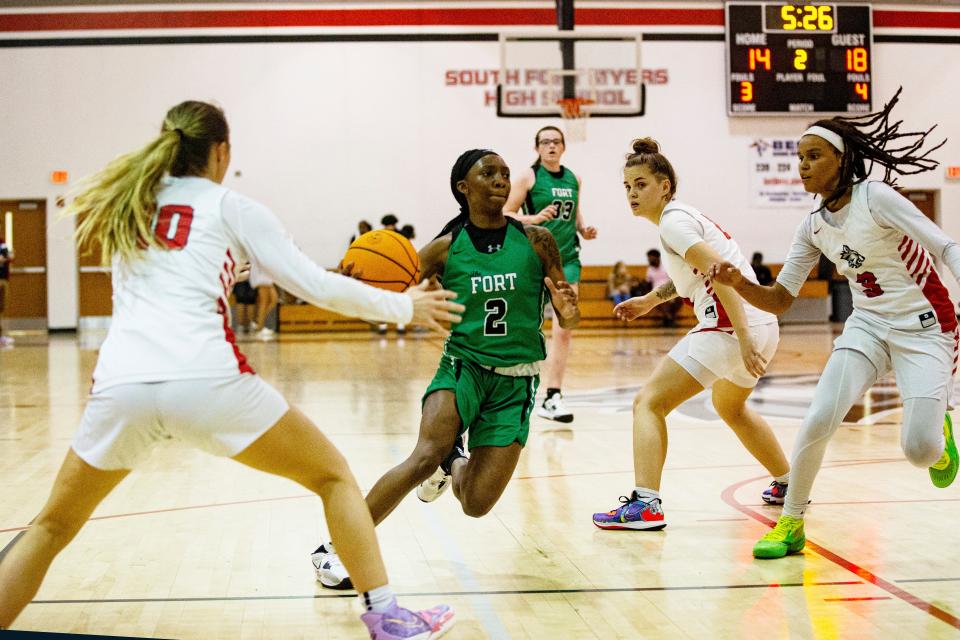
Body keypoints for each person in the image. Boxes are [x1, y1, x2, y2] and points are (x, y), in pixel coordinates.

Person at [0, 100, 464, 639]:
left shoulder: (131, 206)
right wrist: (404, 307)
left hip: (120, 386)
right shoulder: (231, 206)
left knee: (51, 526)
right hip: (206, 380)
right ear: (221, 151)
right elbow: (314, 284)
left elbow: (163, 281)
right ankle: (387, 618)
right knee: (334, 477)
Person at [311, 148, 579, 590]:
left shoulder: (537, 241)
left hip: (517, 380)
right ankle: (335, 549)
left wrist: (569, 311)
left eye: (505, 174)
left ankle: (453, 463)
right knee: (422, 455)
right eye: (488, 172)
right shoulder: (445, 247)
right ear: (463, 187)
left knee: (475, 503)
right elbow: (393, 292)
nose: (500, 179)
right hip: (463, 367)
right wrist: (352, 282)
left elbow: (570, 318)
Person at [710, 89, 959, 559]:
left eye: (814, 155)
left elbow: (945, 247)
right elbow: (780, 299)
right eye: (799, 157)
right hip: (867, 325)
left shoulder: (877, 198)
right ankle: (791, 522)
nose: (802, 165)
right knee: (820, 415)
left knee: (920, 452)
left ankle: (940, 432)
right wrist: (738, 282)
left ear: (842, 161)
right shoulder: (812, 226)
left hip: (926, 326)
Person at [592, 137, 790, 531]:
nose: (632, 193)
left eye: (641, 184)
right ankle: (789, 483)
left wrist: (743, 336)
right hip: (762, 325)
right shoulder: (682, 218)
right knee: (731, 407)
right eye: (628, 186)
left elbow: (720, 276)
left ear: (664, 186)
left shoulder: (674, 222)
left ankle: (646, 506)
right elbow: (694, 277)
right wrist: (650, 299)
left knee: (648, 402)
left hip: (734, 326)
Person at [503, 125, 597, 423]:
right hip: (532, 258)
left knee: (564, 328)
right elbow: (505, 213)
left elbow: (574, 213)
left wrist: (584, 228)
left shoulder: (574, 178)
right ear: (537, 148)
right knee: (526, 326)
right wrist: (533, 218)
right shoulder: (528, 177)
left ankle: (553, 396)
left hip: (566, 260)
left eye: (556, 142)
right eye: (545, 142)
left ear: (563, 146)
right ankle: (517, 391)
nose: (551, 146)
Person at [645, 248, 682, 326]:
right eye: (648, 259)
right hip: (656, 292)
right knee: (659, 300)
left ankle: (668, 318)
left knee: (678, 299)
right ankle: (669, 318)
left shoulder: (666, 265)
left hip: (670, 290)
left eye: (651, 259)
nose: (649, 261)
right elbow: (648, 283)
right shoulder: (650, 269)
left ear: (657, 257)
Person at [249, 261, 278, 339]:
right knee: (264, 302)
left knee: (274, 299)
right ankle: (260, 328)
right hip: (262, 274)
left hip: (266, 274)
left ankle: (258, 322)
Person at [0, 235, 13, 347]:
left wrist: (8, 257)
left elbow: (8, 257)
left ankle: (1, 335)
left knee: (1, 307)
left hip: (3, 278)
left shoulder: (3, 243)